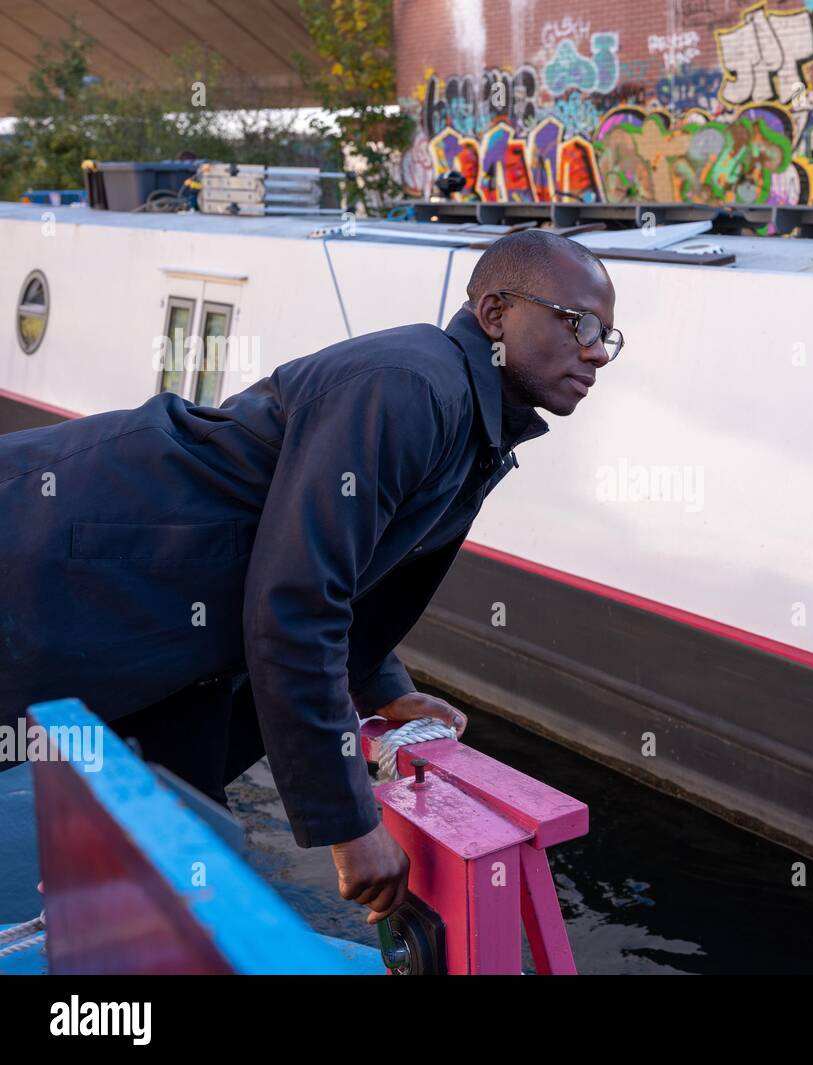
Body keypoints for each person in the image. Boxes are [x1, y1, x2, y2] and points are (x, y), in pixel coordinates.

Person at [0, 228, 620, 924]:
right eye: (581, 323)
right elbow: (295, 599)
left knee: (173, 860)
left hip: (147, 622)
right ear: (498, 313)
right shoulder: (411, 387)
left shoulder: (465, 415)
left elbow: (340, 574)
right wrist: (349, 825)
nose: (598, 349)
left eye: (609, 335)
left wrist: (384, 688)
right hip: (48, 553)